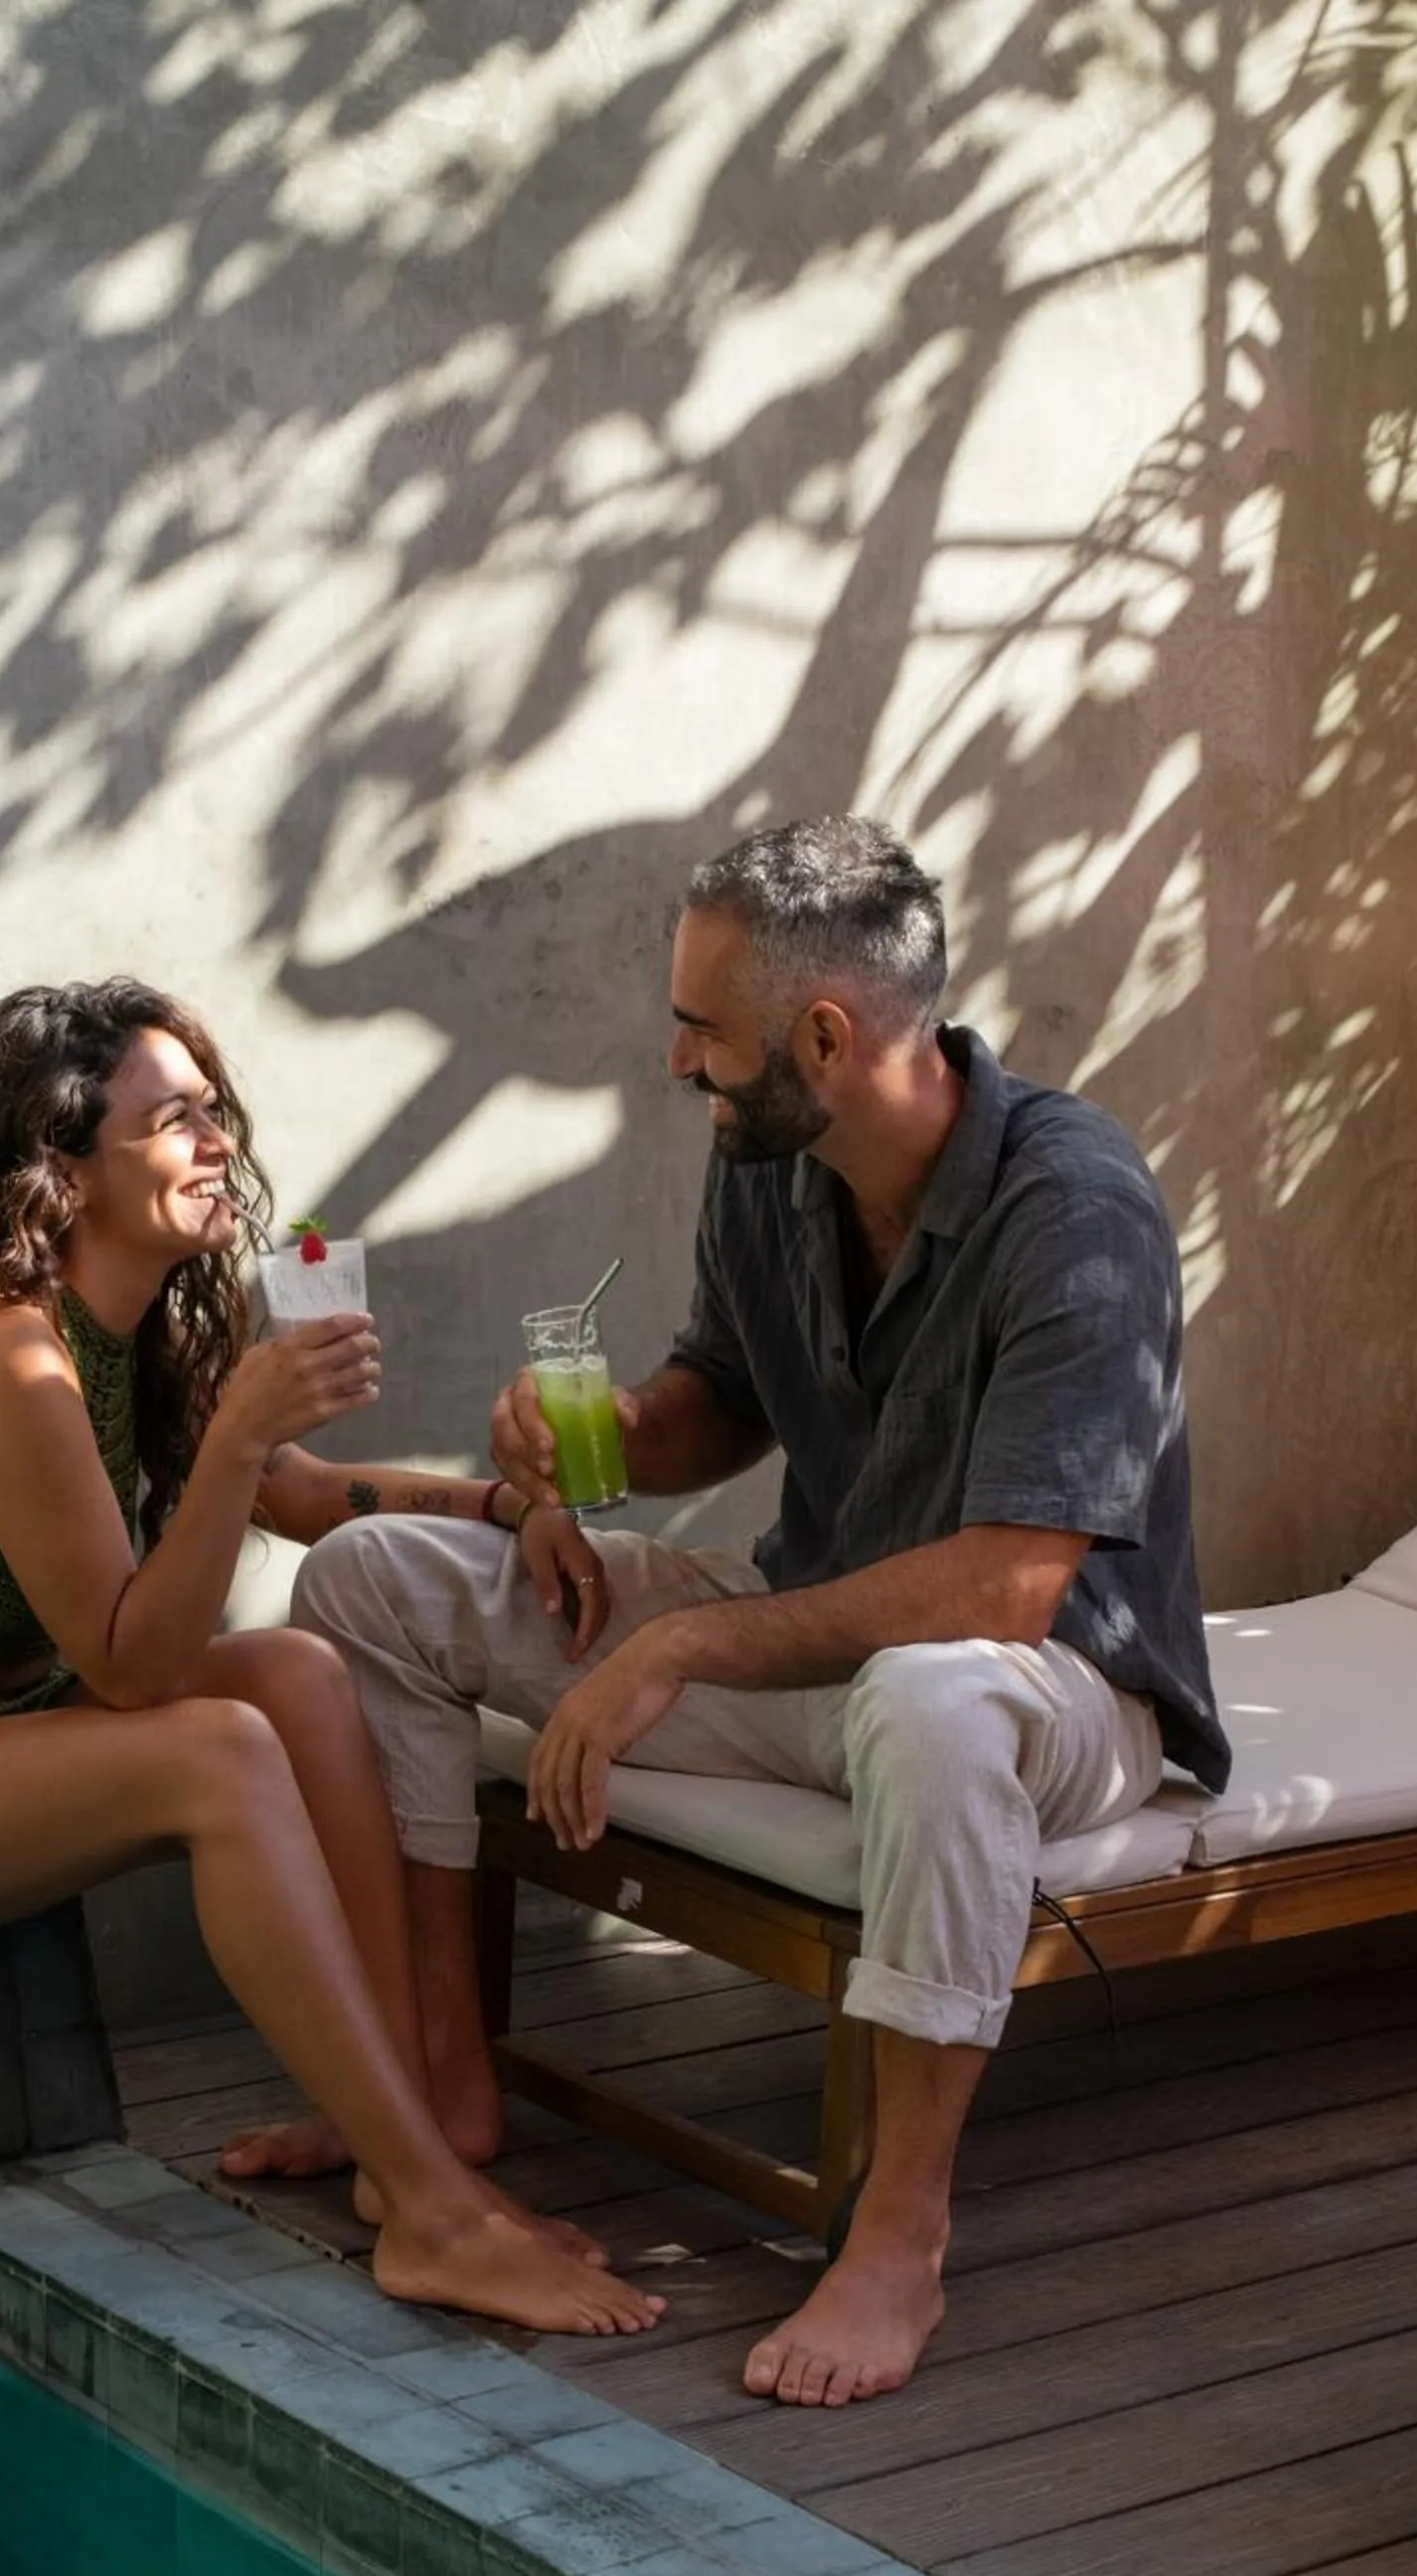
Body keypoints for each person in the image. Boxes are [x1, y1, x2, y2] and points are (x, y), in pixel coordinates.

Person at [289, 818, 1228, 2406]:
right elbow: (722, 1406)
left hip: (1048, 1693)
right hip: (819, 1641)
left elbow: (1012, 1583)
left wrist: (681, 1640)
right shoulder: (774, 1167)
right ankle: (443, 2084)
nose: (675, 1062)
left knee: (933, 1700)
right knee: (367, 1578)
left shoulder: (1078, 1205)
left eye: (700, 1030)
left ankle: (896, 2233)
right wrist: (587, 1452)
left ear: (824, 1036)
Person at [0, 977, 663, 2339]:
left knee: (297, 1676)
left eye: (215, 1111)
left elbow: (304, 1497)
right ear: (68, 1167)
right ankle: (435, 2213)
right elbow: (135, 1675)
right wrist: (233, 1441)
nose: (218, 1142)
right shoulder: (6, 1357)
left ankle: (403, 2123)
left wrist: (512, 1508)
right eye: (173, 1121)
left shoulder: (141, 1333)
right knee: (217, 1744)